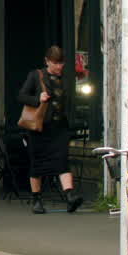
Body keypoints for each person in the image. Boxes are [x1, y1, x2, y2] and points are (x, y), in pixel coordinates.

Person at [18, 46, 83, 214]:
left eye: (61, 63)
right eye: (55, 63)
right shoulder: (36, 75)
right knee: (37, 163)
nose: (59, 66)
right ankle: (36, 200)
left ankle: (70, 197)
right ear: (47, 61)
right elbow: (21, 96)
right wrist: (37, 99)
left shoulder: (66, 79)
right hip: (39, 127)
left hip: (59, 126)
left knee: (62, 160)